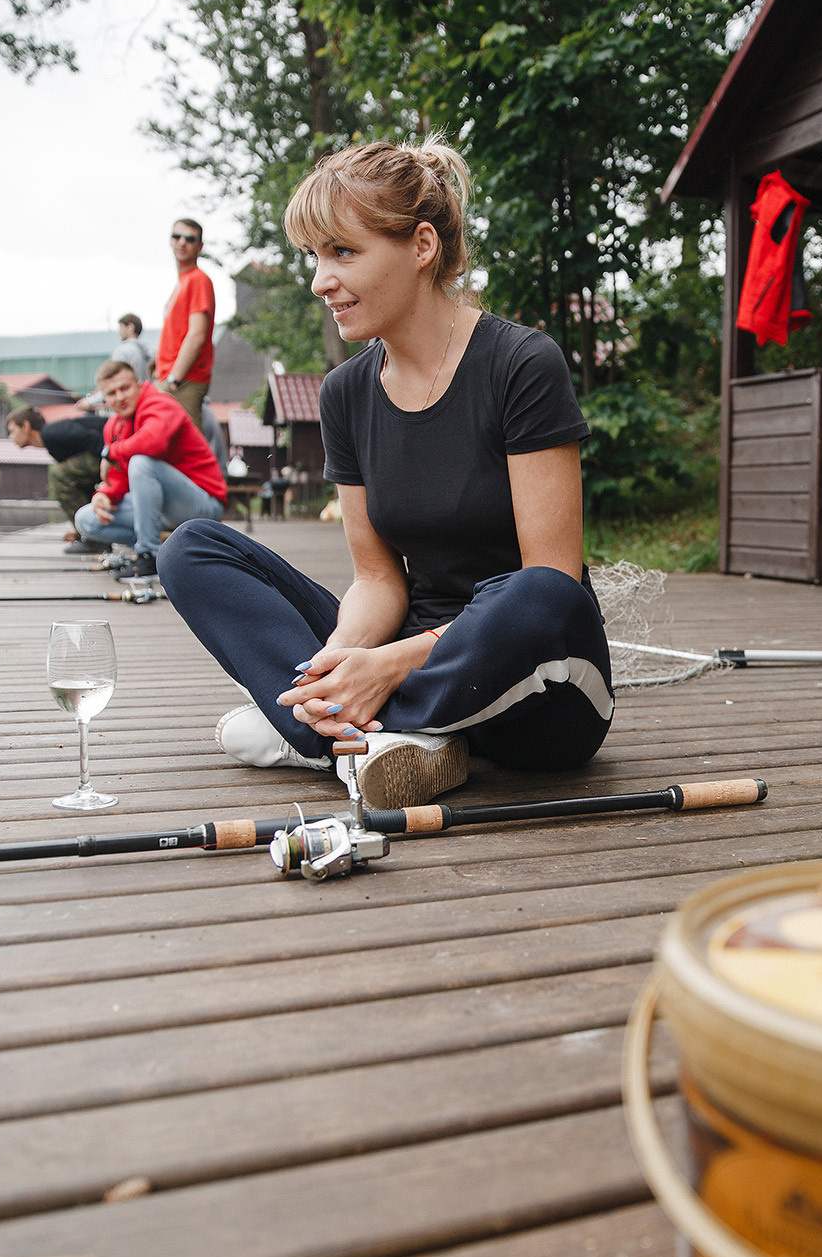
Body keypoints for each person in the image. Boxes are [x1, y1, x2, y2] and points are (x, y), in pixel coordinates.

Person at [156, 138, 613, 810]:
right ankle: (368, 729)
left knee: (543, 590)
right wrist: (338, 664)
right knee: (191, 549)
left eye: (343, 251)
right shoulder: (344, 393)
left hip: (536, 682)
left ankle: (321, 734)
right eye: (315, 256)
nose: (320, 280)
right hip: (404, 647)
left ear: (421, 247)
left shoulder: (521, 363)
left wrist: (386, 667)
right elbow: (377, 578)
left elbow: (552, 575)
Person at [74, 359, 226, 581]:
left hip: (202, 505)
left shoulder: (161, 404)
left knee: (142, 462)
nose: (120, 397)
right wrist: (104, 495)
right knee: (86, 519)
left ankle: (149, 555)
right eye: (112, 393)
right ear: (104, 397)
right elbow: (119, 478)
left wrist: (110, 452)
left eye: (124, 388)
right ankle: (167, 549)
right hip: (161, 510)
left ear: (138, 384)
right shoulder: (113, 426)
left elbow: (152, 442)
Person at [6, 405, 107, 547]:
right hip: (106, 454)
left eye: (12, 431)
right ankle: (91, 534)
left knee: (60, 476)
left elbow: (93, 438)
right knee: (69, 476)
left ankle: (94, 540)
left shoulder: (51, 433)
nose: (11, 437)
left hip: (113, 451)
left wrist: (110, 458)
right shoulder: (50, 443)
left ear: (25, 426)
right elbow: (83, 483)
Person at [154, 218, 215, 427]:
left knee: (188, 451)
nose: (182, 242)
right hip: (172, 378)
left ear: (200, 246)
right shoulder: (182, 282)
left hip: (184, 380)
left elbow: (197, 334)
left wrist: (174, 379)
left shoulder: (198, 279)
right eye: (176, 236)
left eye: (190, 239)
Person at [78, 315, 152, 413]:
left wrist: (90, 401)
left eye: (121, 327)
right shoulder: (148, 353)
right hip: (145, 404)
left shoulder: (122, 351)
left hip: (128, 409)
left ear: (130, 327)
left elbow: (113, 384)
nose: (119, 332)